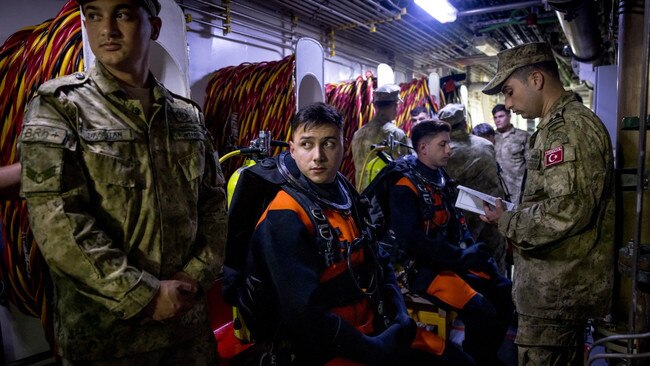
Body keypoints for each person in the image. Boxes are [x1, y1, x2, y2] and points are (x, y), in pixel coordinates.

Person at [20, 0, 228, 364]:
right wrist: (144, 295)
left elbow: (213, 205)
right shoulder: (60, 106)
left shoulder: (186, 115)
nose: (107, 29)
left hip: (187, 333)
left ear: (155, 27)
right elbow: (57, 221)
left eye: (123, 14)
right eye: (94, 15)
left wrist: (194, 276)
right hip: (108, 341)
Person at [224, 103, 474, 365]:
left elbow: (377, 258)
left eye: (329, 143)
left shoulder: (344, 193)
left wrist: (400, 314)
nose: (318, 156)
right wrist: (372, 348)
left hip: (371, 326)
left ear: (344, 146)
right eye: (307, 144)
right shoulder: (285, 215)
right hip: (325, 347)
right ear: (293, 149)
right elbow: (304, 315)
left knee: (457, 359)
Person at [481, 42, 615, 366]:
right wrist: (514, 210)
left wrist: (508, 221)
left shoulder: (566, 129)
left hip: (555, 295)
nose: (507, 104)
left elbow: (565, 210)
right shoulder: (554, 126)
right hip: (552, 290)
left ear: (537, 80)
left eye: (510, 92)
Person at [376, 120, 514, 366]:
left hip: (449, 260)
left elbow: (457, 223)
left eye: (448, 143)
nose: (449, 150)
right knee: (481, 310)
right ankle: (476, 359)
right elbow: (412, 240)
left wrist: (473, 251)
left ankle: (486, 356)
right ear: (423, 148)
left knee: (503, 290)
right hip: (421, 270)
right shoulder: (404, 186)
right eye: (443, 144)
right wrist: (461, 257)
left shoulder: (440, 177)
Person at [438, 104, 508, 275]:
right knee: (495, 263)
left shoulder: (444, 151)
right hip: (493, 211)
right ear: (464, 123)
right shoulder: (485, 144)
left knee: (466, 265)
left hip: (463, 216)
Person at [351, 84, 411, 191]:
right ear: (395, 106)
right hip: (385, 200)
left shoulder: (358, 134)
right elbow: (406, 170)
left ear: (375, 105)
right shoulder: (396, 134)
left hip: (362, 197)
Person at [492, 104, 530, 205]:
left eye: (501, 116)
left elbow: (530, 164)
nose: (497, 120)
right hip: (498, 190)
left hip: (518, 190)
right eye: (495, 117)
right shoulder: (491, 137)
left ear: (509, 116)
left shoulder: (522, 136)